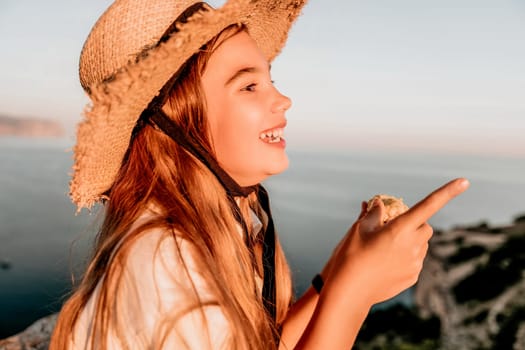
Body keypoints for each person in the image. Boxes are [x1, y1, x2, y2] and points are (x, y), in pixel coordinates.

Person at [50, 0, 470, 349]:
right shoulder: (165, 268)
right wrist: (354, 293)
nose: (284, 99)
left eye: (271, 80)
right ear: (178, 119)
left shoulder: (215, 227)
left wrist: (336, 273)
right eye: (249, 86)